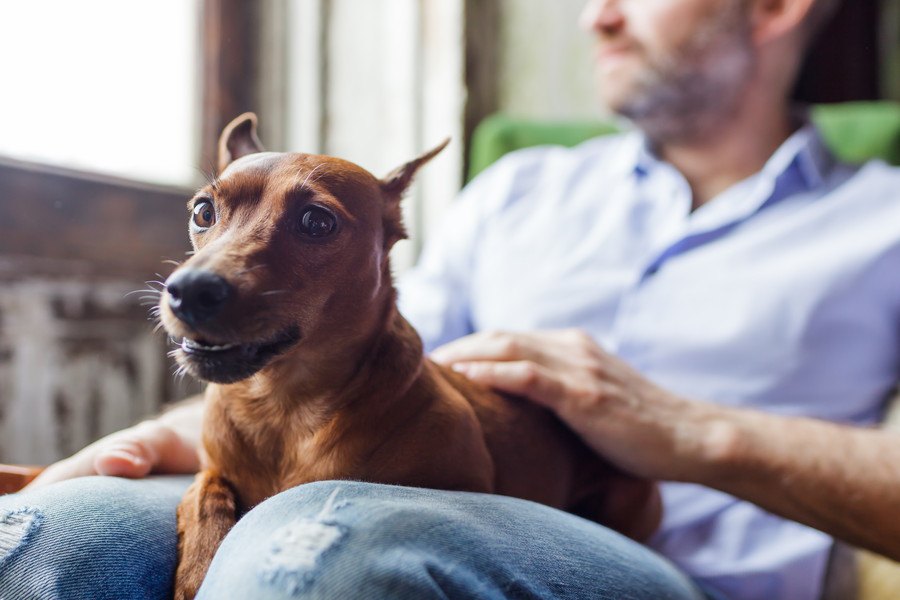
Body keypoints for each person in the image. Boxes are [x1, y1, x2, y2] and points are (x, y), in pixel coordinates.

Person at [2, 0, 898, 598]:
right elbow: (344, 347)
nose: (597, 14)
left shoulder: (881, 223)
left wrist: (687, 432)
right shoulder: (518, 188)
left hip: (677, 562)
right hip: (376, 478)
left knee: (315, 548)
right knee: (52, 534)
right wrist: (153, 439)